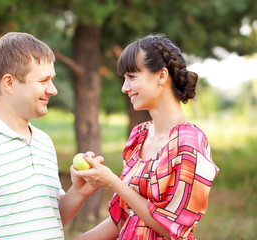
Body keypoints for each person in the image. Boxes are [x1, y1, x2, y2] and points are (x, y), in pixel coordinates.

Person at [0, 32, 99, 240]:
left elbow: (51, 218)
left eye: (52, 80)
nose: (53, 90)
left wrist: (78, 191)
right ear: (9, 83)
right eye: (43, 80)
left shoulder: (43, 142)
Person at [72, 34, 220, 240]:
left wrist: (114, 182)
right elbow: (125, 217)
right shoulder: (139, 136)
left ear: (161, 76)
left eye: (131, 77)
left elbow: (172, 229)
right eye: (124, 78)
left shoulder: (190, 144)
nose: (124, 88)